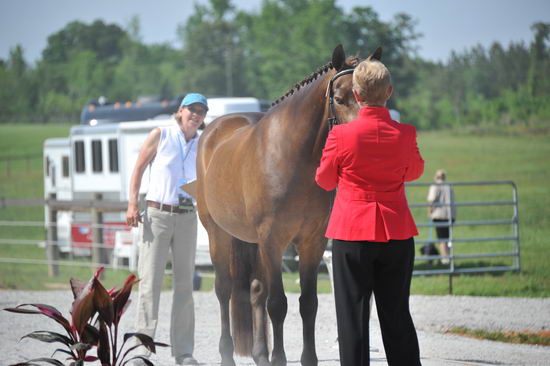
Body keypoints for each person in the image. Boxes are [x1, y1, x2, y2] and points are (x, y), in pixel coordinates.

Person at [316, 58, 424, 366]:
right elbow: (415, 171)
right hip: (396, 231)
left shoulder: (340, 136)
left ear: (357, 95)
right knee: (397, 315)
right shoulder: (406, 133)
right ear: (388, 92)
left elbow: (324, 180)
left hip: (351, 232)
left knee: (352, 317)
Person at [126, 93, 208, 365]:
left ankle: (184, 352)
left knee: (185, 286)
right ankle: (141, 349)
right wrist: (132, 205)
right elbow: (138, 168)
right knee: (150, 282)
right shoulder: (160, 134)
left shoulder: (203, 143)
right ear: (181, 111)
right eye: (192, 110)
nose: (197, 115)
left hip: (187, 217)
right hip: (157, 214)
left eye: (201, 112)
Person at [427, 169, 456, 265]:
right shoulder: (449, 186)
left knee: (441, 239)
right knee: (448, 238)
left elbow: (431, 200)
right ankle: (449, 257)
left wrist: (430, 212)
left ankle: (444, 259)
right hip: (450, 215)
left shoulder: (435, 186)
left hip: (439, 215)